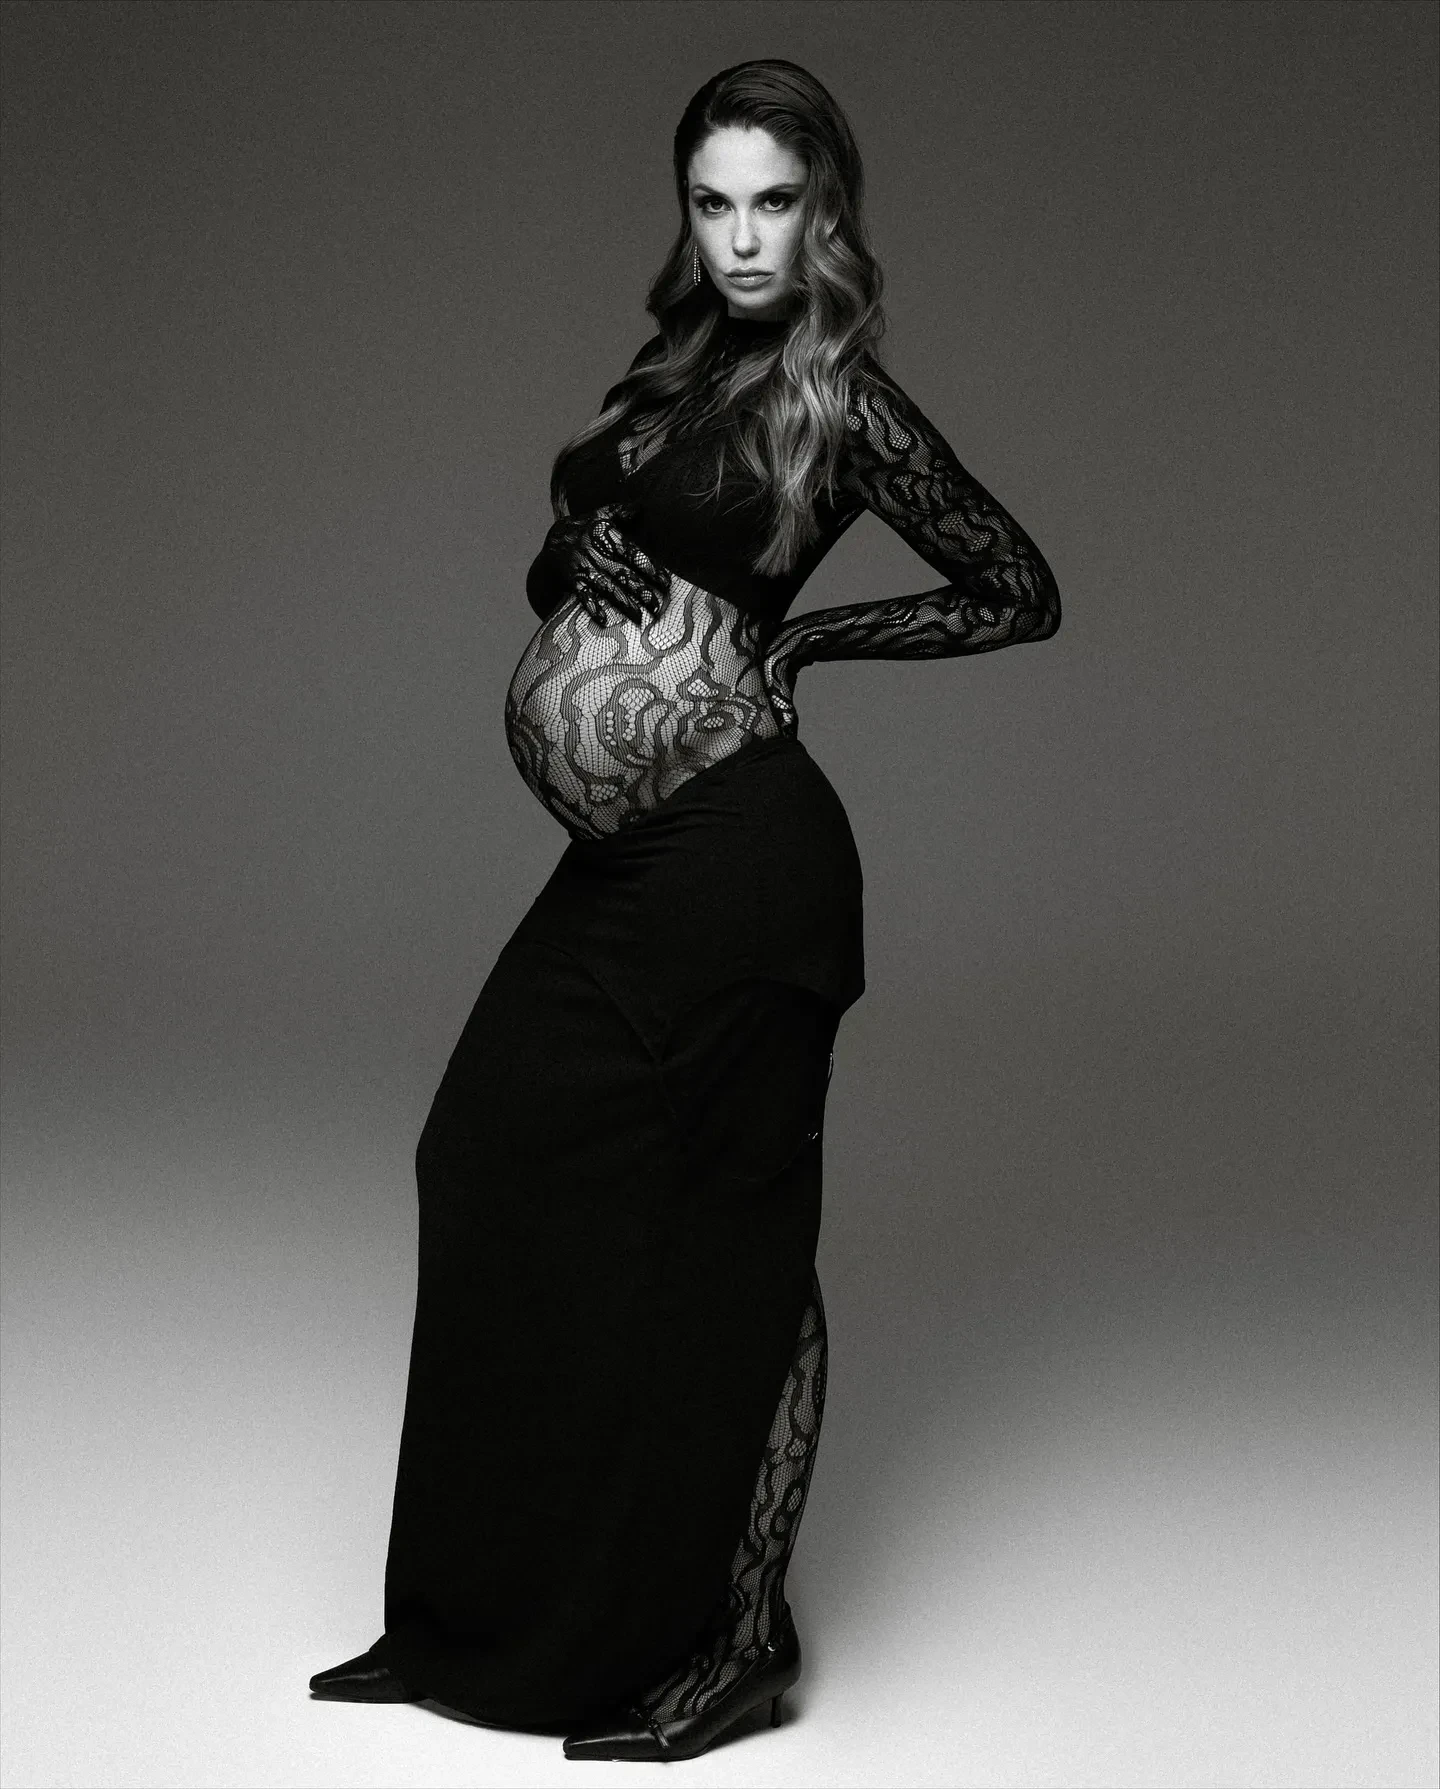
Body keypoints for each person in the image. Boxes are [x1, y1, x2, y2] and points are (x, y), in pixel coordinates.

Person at [309, 57, 1061, 1764]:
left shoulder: (844, 404)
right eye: (713, 202)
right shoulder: (665, 372)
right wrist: (561, 556)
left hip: (744, 866)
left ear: (827, 214)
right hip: (629, 872)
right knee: (482, 1159)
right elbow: (580, 548)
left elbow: (1019, 588)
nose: (742, 238)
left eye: (775, 203)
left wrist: (813, 640)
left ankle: (742, 1644)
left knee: (736, 1242)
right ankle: (473, 1620)